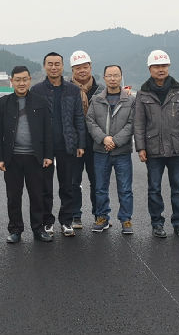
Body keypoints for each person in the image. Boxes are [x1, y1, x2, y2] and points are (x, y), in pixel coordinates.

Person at [0, 66, 54, 243]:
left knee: (37, 195)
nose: (21, 83)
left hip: (35, 157)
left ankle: (38, 228)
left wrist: (48, 155)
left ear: (29, 80)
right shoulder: (3, 103)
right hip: (12, 157)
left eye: (25, 79)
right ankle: (15, 229)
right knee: (13, 196)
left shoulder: (40, 102)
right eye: (18, 80)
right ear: (11, 81)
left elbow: (48, 131)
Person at [134, 50, 179, 238]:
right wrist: (141, 147)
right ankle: (157, 224)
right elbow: (139, 123)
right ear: (150, 68)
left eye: (164, 66)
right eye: (157, 66)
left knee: (178, 189)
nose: (161, 69)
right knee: (154, 189)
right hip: (153, 149)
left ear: (169, 67)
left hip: (176, 149)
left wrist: (177, 134)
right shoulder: (142, 93)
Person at [31, 52, 86, 237]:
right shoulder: (36, 90)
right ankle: (47, 221)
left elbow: (79, 117)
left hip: (67, 144)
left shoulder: (72, 90)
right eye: (50, 64)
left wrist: (80, 143)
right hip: (45, 146)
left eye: (57, 64)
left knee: (68, 185)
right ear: (44, 66)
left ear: (62, 66)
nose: (54, 67)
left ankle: (66, 221)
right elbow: (33, 120)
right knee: (45, 187)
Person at [85, 64, 135, 234]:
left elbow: (132, 123)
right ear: (104, 77)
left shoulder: (130, 100)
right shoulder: (96, 99)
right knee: (100, 187)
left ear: (121, 77)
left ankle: (126, 219)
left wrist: (115, 141)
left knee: (125, 188)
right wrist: (104, 138)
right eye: (109, 75)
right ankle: (102, 217)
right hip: (101, 150)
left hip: (122, 151)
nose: (113, 78)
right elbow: (90, 121)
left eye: (116, 75)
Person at [69, 50, 103, 229]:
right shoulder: (66, 90)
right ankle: (75, 216)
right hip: (73, 145)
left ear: (90, 67)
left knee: (97, 181)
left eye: (85, 67)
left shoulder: (101, 90)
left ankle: (99, 214)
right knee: (73, 182)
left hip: (96, 143)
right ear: (72, 70)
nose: (82, 70)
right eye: (78, 68)